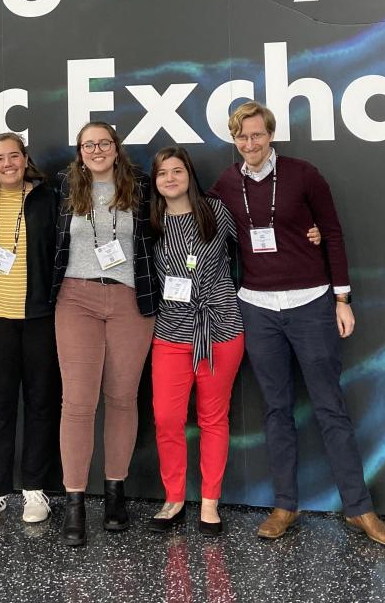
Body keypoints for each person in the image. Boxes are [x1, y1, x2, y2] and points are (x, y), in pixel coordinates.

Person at [209, 101, 385, 546]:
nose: (250, 144)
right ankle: (284, 506)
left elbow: (331, 232)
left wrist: (342, 297)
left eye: (257, 135)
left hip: (311, 303)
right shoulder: (225, 183)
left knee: (330, 407)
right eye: (242, 137)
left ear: (270, 134)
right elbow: (208, 227)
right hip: (257, 307)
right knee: (276, 411)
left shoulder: (303, 174)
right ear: (234, 140)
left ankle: (360, 509)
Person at [51, 122, 156, 546]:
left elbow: (180, 217)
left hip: (132, 299)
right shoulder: (64, 185)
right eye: (88, 144)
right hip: (75, 298)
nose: (96, 150)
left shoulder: (142, 185)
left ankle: (115, 493)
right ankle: (75, 502)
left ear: (117, 147)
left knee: (122, 399)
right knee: (77, 403)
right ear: (79, 151)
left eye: (103, 143)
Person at [0, 132, 62, 526]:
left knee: (40, 405)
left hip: (39, 319)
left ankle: (34, 490)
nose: (7, 164)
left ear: (25, 159)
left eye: (14, 156)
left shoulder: (46, 200)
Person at [145, 146, 244, 536]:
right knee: (168, 418)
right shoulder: (150, 222)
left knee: (213, 418)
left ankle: (209, 501)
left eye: (177, 171)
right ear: (155, 182)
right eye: (162, 173)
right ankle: (173, 498)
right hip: (170, 332)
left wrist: (310, 233)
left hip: (220, 329)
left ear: (189, 174)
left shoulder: (215, 213)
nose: (170, 178)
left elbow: (254, 244)